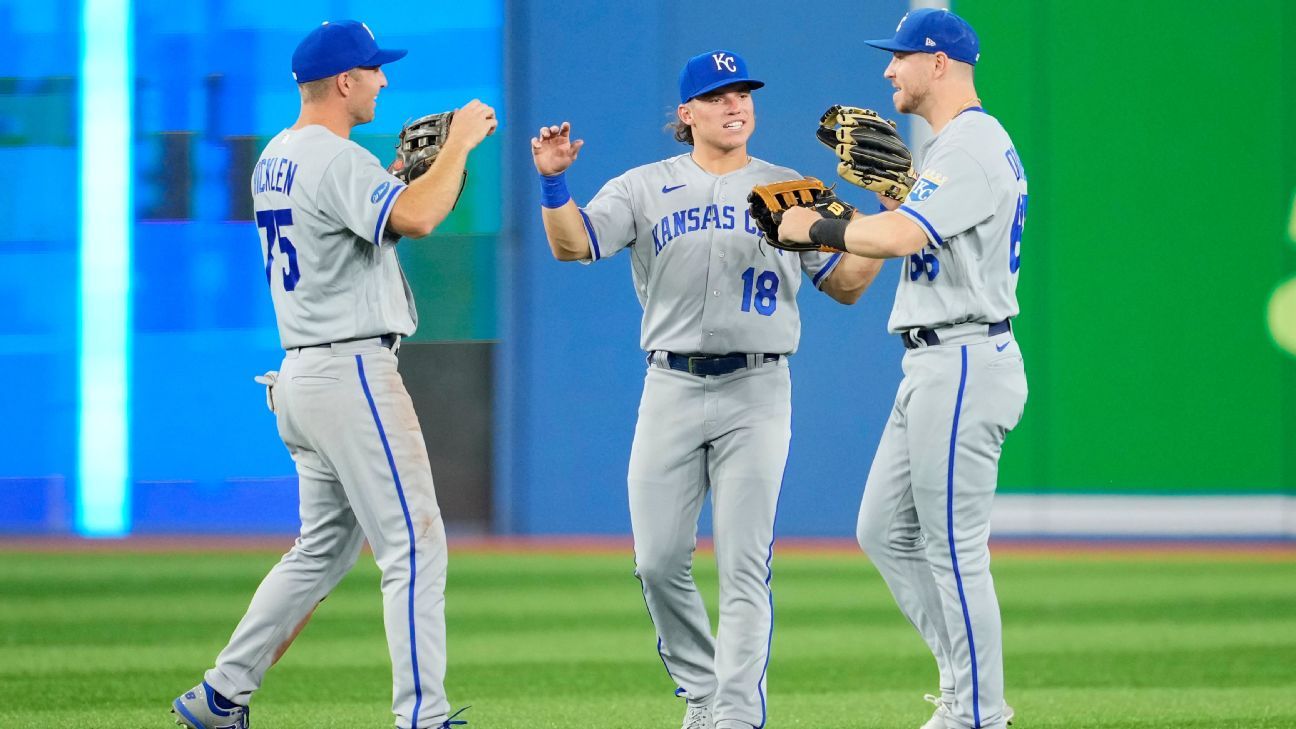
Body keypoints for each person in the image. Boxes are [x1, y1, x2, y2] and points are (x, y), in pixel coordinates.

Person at [530, 50, 881, 729]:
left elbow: (843, 284)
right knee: (658, 560)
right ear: (686, 113)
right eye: (719, 95)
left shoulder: (797, 188)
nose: (735, 104)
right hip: (671, 385)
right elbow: (574, 246)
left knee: (745, 565)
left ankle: (736, 716)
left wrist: (883, 216)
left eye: (743, 92)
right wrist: (553, 185)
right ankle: (701, 688)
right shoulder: (641, 186)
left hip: (758, 387)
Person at [170, 19, 496, 729]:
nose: (384, 80)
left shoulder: (275, 156)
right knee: (414, 543)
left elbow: (357, 214)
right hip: (350, 369)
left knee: (319, 551)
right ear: (345, 82)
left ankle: (220, 695)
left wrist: (397, 175)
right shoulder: (334, 157)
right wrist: (460, 147)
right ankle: (423, 717)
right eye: (375, 70)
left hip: (300, 375)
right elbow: (419, 218)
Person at [778, 8, 1028, 729]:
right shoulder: (951, 153)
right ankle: (961, 685)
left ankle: (978, 711)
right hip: (934, 358)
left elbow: (899, 236)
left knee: (954, 548)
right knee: (883, 528)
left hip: (964, 357)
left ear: (939, 63)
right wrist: (893, 191)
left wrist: (817, 226)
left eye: (901, 57)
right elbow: (891, 250)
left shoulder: (972, 147)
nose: (889, 69)